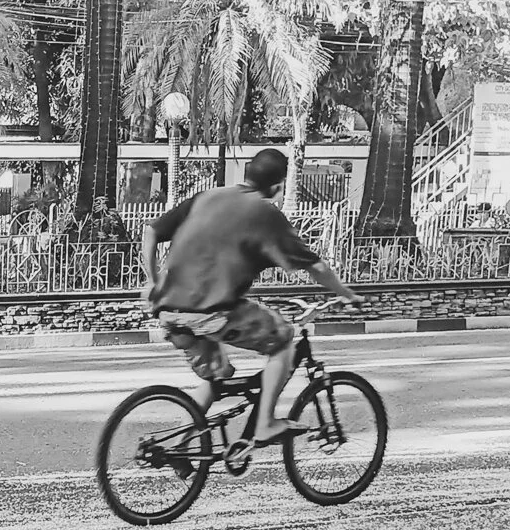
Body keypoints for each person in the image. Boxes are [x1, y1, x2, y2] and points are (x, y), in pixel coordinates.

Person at [139, 147, 364, 444]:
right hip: (211, 313)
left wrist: (155, 280)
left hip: (169, 310)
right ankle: (265, 424)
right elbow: (317, 267)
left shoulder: (207, 197)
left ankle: (180, 446)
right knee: (283, 338)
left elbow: (150, 232)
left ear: (247, 173)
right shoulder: (264, 213)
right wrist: (347, 294)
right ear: (277, 186)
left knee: (216, 377)